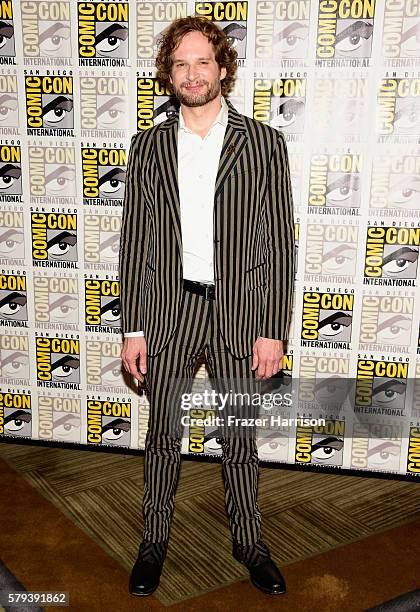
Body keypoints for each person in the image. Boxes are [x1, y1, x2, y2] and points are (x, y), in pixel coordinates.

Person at [119, 15, 295, 598]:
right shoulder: (147, 146)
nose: (192, 73)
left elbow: (278, 245)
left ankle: (250, 542)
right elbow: (136, 244)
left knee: (238, 436)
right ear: (169, 76)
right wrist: (133, 327)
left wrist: (273, 330)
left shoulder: (264, 144)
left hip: (240, 314)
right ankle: (154, 543)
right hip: (171, 312)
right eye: (180, 64)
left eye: (202, 61)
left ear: (223, 68)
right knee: (163, 434)